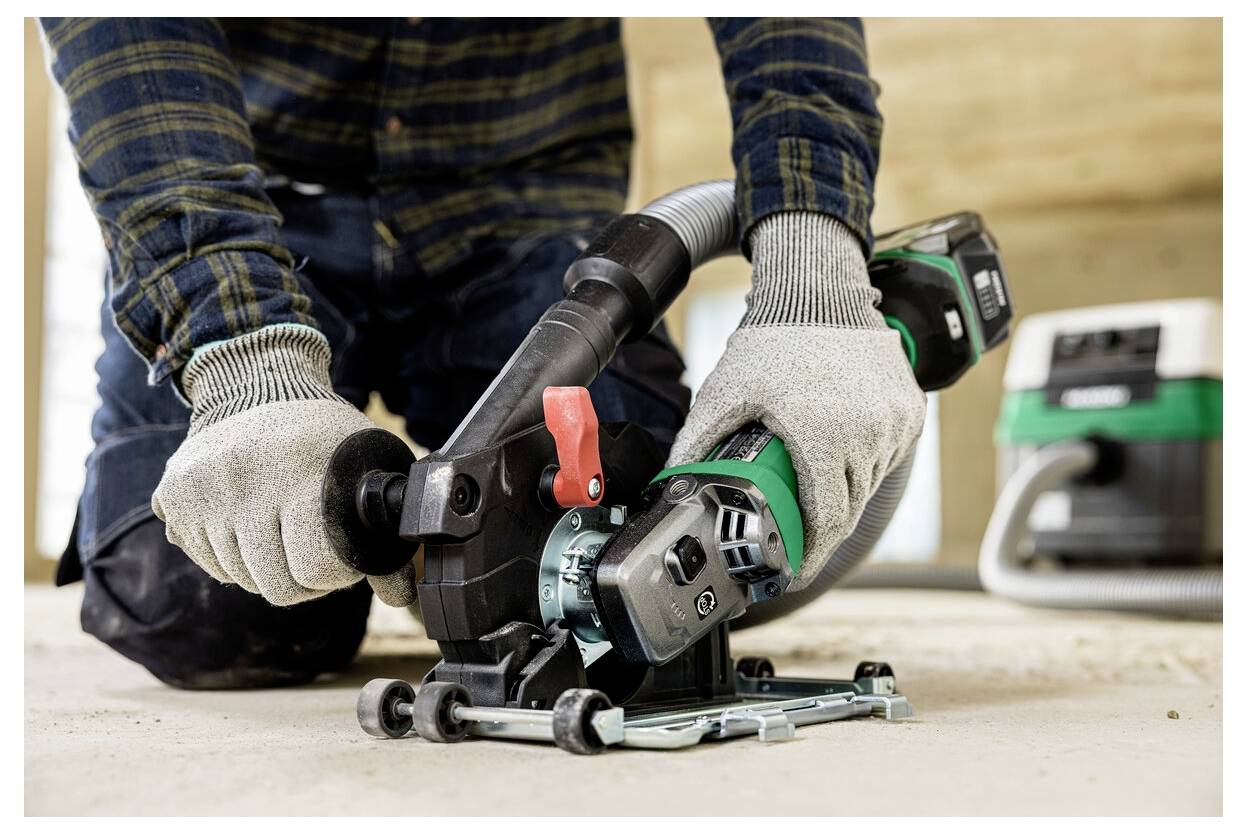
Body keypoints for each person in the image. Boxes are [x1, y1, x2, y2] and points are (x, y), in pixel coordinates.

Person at [41, 18, 925, 689]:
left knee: (641, 556)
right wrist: (242, 367)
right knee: (200, 602)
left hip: (517, 211)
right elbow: (123, 37)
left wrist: (817, 283)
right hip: (252, 209)